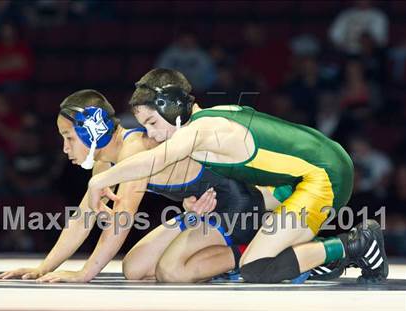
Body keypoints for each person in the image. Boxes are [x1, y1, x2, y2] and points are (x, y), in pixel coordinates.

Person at [87, 68, 388, 283]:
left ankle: (353, 243)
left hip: (324, 175)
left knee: (256, 267)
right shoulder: (212, 117)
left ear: (173, 108)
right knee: (257, 241)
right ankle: (307, 253)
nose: (151, 133)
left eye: (152, 122)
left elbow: (151, 162)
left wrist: (98, 180)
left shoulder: (199, 131)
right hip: (293, 179)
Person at [0, 89, 282, 283]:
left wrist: (85, 273)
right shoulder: (105, 163)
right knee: (135, 269)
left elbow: (121, 222)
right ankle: (215, 258)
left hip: (240, 202)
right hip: (206, 209)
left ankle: (255, 254)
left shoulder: (132, 152)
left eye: (69, 137)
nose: (64, 147)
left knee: (172, 271)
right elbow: (83, 218)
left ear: (91, 129)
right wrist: (42, 268)